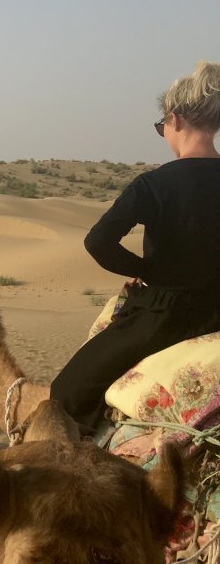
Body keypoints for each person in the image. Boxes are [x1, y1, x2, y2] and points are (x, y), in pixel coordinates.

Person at [51, 60, 220, 435]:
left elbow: (98, 242)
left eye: (161, 126)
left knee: (63, 396)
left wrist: (147, 270)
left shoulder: (153, 184)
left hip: (166, 315)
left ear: (174, 120)